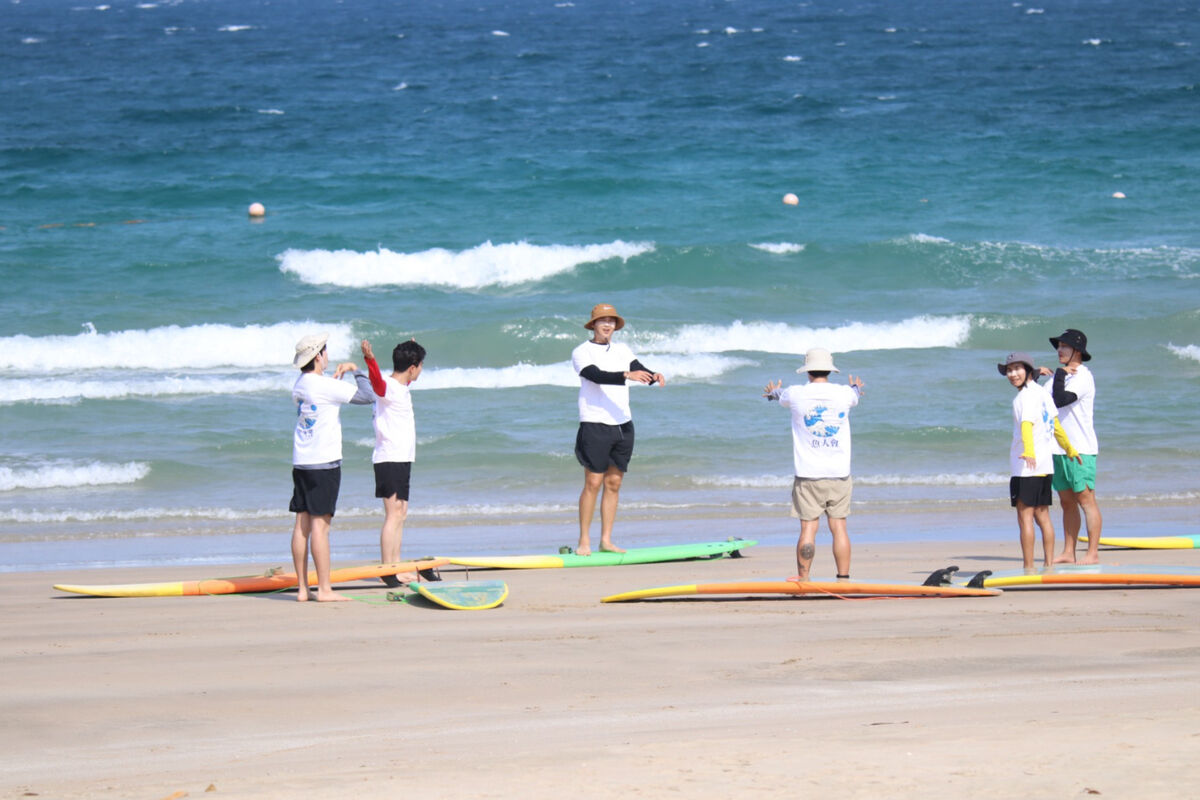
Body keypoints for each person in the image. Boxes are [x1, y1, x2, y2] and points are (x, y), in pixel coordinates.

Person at [571, 303, 665, 556]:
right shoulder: (581, 352)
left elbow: (639, 369)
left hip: (622, 423)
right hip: (594, 421)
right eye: (602, 321)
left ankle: (606, 541)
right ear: (593, 325)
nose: (607, 325)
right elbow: (596, 375)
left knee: (614, 483)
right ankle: (584, 541)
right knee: (593, 482)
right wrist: (627, 375)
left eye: (611, 321)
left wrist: (654, 375)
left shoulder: (623, 349)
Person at [763, 348, 863, 581]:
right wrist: (856, 387)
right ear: (830, 370)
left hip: (808, 475)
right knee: (839, 527)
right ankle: (843, 579)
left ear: (807, 372)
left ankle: (804, 578)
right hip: (839, 474)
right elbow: (856, 395)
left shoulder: (796, 393)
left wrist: (771, 393)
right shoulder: (844, 394)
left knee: (808, 528)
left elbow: (778, 395)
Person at [289, 333, 374, 602]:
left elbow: (318, 403)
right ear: (318, 357)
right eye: (325, 352)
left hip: (301, 461)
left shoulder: (300, 385)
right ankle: (324, 589)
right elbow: (367, 396)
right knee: (320, 527)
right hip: (324, 463)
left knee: (301, 524)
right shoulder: (324, 385)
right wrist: (355, 370)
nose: (327, 357)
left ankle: (303, 588)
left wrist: (333, 386)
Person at [999, 351, 1081, 571]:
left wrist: (1028, 450)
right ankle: (1047, 564)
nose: (1012, 374)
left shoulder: (1024, 397)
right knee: (1043, 515)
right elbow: (1056, 426)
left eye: (1017, 369)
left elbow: (1026, 424)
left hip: (1026, 466)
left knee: (1025, 516)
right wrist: (1070, 449)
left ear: (1027, 371)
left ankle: (1028, 567)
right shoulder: (1043, 394)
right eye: (1009, 370)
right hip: (1045, 465)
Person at [361, 337, 426, 586]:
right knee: (392, 514)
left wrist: (411, 346)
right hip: (389, 458)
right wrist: (370, 360)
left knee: (402, 513)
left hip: (402, 457)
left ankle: (397, 566)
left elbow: (400, 378)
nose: (421, 370)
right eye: (420, 365)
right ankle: (387, 570)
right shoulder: (387, 386)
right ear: (412, 368)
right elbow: (377, 383)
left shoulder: (402, 386)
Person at [1038, 329, 1102, 564]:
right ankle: (1068, 552)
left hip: (1081, 448)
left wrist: (1059, 375)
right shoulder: (1059, 377)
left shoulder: (1083, 376)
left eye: (1064, 346)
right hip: (1056, 448)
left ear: (1077, 350)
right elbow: (1040, 399)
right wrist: (1035, 374)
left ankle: (1092, 553)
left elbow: (1061, 399)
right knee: (1066, 502)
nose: (1059, 350)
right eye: (1058, 346)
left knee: (1086, 499)